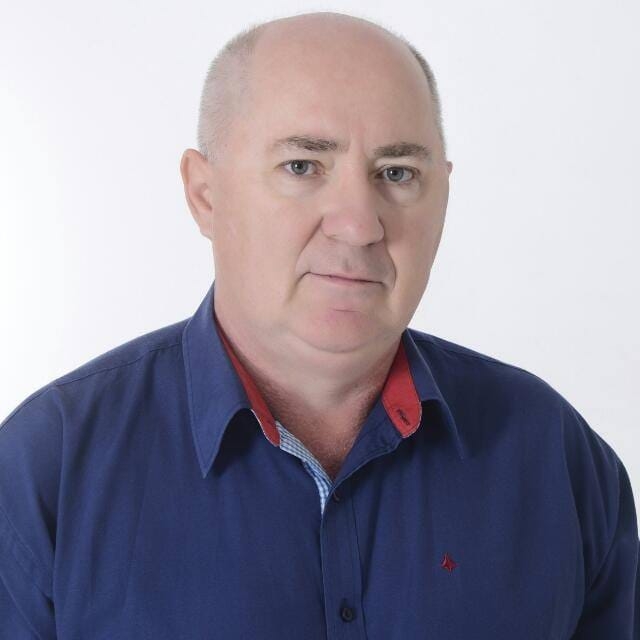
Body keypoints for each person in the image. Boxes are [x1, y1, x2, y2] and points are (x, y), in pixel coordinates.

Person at [0, 10, 637, 639]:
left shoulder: (557, 458)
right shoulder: (46, 470)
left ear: (443, 194)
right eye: (303, 166)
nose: (358, 225)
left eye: (397, 173)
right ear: (205, 194)